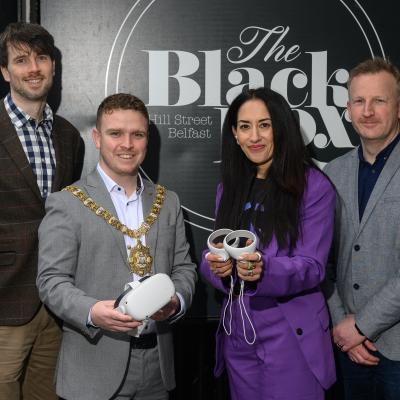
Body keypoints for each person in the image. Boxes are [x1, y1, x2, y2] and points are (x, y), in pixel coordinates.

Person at [36, 93, 197, 400]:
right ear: (97, 138)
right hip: (94, 366)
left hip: (157, 370)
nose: (127, 144)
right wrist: (92, 312)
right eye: (115, 134)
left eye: (137, 134)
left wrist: (175, 301)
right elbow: (50, 281)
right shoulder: (67, 202)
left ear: (147, 140)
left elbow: (184, 269)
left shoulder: (168, 201)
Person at [200, 87, 336, 400]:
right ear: (234, 134)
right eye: (244, 126)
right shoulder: (229, 187)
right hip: (237, 331)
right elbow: (215, 252)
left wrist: (264, 269)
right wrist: (215, 266)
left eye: (265, 124)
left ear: (281, 126)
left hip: (290, 333)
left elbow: (313, 267)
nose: (254, 136)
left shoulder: (313, 186)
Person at [0, 22, 84, 400]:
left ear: (53, 67)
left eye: (42, 58)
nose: (33, 68)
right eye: (21, 60)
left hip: (56, 306)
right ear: (5, 72)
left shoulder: (69, 137)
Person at [324, 57, 400, 399]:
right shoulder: (331, 173)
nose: (367, 111)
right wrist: (343, 327)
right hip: (347, 348)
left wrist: (360, 326)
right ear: (348, 108)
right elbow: (319, 260)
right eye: (359, 101)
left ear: (398, 107)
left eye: (379, 101)